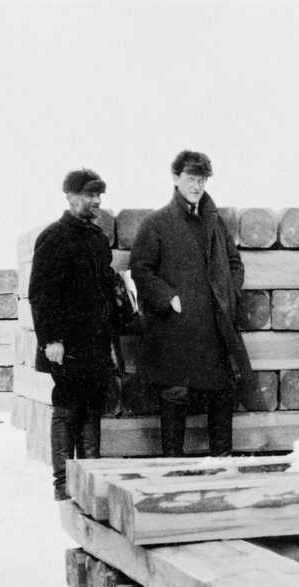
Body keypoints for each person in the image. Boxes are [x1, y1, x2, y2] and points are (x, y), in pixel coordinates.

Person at [130, 151, 251, 457]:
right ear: (175, 179)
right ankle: (173, 470)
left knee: (222, 394)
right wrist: (168, 298)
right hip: (176, 331)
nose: (197, 186)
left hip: (214, 328)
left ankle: (222, 469)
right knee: (176, 394)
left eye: (202, 179)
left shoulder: (214, 222)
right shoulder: (156, 223)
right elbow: (141, 269)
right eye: (190, 179)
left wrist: (229, 294)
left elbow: (235, 264)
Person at [28, 169, 122, 501]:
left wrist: (111, 339)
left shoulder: (97, 238)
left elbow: (103, 291)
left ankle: (90, 478)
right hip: (66, 343)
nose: (96, 201)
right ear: (70, 197)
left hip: (96, 341)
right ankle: (63, 484)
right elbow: (41, 293)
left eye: (99, 195)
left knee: (92, 407)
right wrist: (51, 338)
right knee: (67, 407)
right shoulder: (54, 236)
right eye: (89, 195)